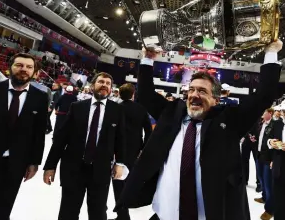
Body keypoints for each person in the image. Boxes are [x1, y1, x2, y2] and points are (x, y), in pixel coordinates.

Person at [114, 40, 283, 220]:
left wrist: (271, 53)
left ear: (216, 100)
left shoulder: (230, 121)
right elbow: (145, 95)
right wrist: (147, 59)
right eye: (191, 90)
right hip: (165, 214)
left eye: (202, 91)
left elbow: (264, 96)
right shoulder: (172, 114)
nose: (194, 95)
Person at [43, 72, 128, 220]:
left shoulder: (117, 110)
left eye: (108, 83)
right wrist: (50, 165)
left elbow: (120, 139)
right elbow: (61, 139)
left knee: (98, 213)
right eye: (101, 82)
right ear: (93, 85)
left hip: (100, 170)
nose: (105, 85)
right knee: (68, 212)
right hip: (74, 168)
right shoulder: (77, 107)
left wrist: (119, 163)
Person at [0, 53, 48, 220]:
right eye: (19, 65)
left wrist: (34, 162)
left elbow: (38, 133)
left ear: (34, 72)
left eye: (29, 67)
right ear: (10, 68)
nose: (23, 69)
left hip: (14, 165)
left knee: (0, 212)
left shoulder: (40, 98)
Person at [110, 83, 152, 220]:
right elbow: (148, 131)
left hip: (116, 149)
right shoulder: (141, 109)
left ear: (120, 94)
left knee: (117, 181)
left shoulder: (116, 108)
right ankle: (125, 211)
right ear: (133, 94)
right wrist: (144, 148)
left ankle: (123, 215)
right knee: (129, 181)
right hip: (135, 149)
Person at [267, 117, 285, 220]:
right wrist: (270, 142)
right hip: (278, 166)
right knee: (278, 200)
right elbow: (268, 138)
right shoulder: (277, 123)